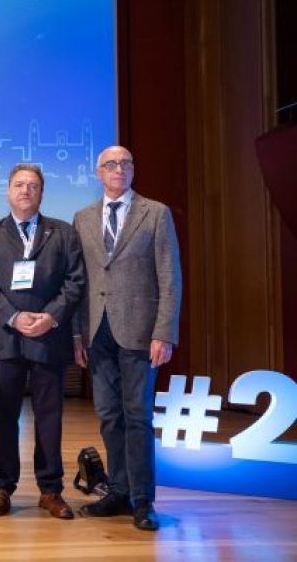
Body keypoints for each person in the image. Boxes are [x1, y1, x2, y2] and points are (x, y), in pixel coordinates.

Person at [73, 145, 182, 531]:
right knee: (108, 415)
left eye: (125, 163)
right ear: (99, 172)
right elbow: (80, 280)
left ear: (133, 170)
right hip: (96, 331)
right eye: (111, 164)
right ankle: (118, 491)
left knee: (137, 416)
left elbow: (170, 276)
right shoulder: (83, 217)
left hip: (141, 331)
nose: (118, 169)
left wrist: (164, 332)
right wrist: (77, 334)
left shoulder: (156, 213)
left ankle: (143, 500)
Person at [0, 163, 85, 520]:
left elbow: (75, 281)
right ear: (8, 191)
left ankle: (50, 490)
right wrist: (13, 317)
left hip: (48, 337)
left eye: (33, 185)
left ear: (41, 193)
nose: (26, 190)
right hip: (5, 338)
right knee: (4, 414)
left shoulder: (63, 232)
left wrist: (50, 317)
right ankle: (2, 487)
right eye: (19, 185)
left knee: (49, 416)